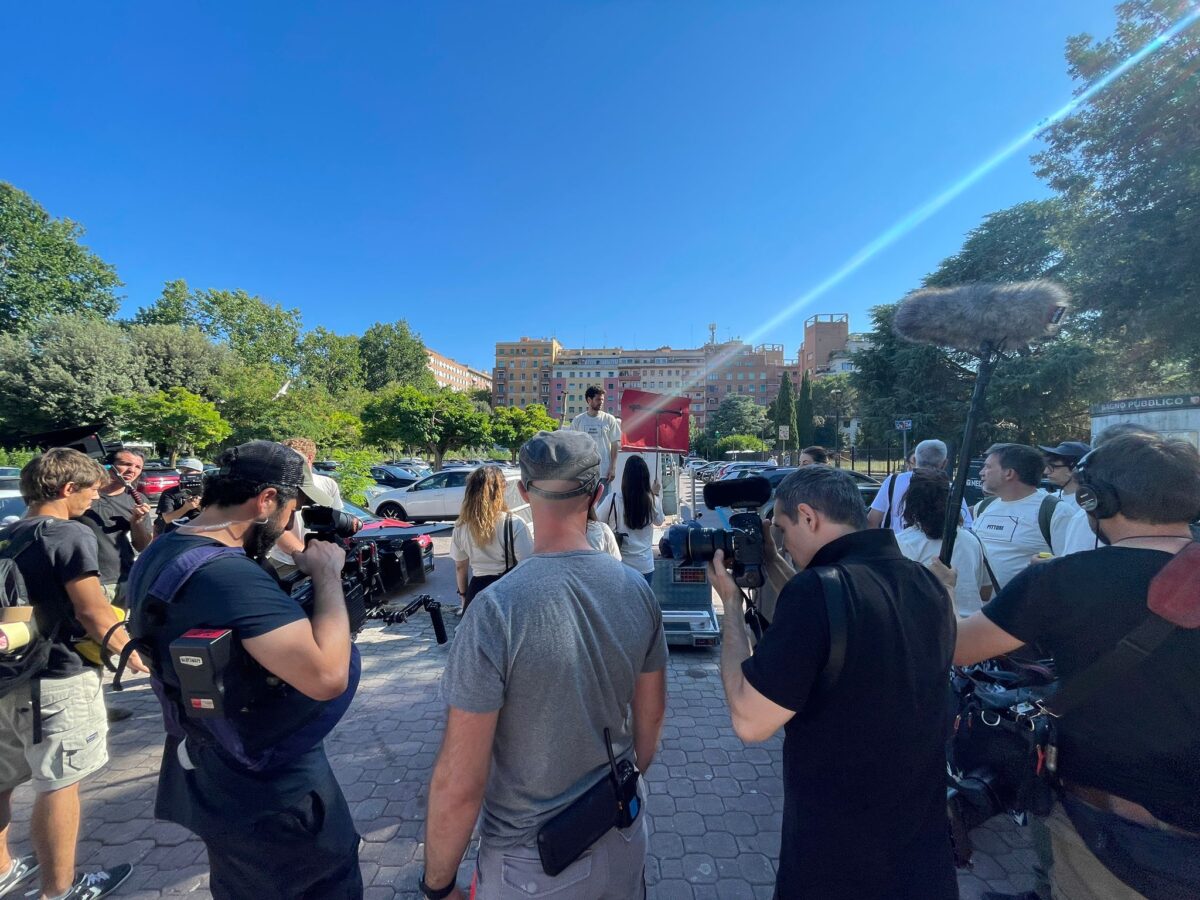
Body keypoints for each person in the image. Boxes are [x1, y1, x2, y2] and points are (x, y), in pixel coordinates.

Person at [422, 430, 667, 900]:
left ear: (523, 492)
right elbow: (650, 721)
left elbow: (459, 780)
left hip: (532, 866)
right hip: (622, 833)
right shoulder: (637, 591)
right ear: (596, 494)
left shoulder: (494, 610)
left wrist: (437, 885)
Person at [953, 434, 1200, 900]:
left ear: (1094, 499)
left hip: (1114, 827)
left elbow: (959, 648)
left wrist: (938, 592)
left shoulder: (1061, 580)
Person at [125, 441, 362, 899]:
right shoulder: (229, 576)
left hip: (213, 766)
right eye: (292, 507)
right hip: (272, 792)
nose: (293, 521)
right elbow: (326, 677)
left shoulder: (166, 549)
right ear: (266, 500)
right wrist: (327, 576)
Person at [712, 466, 957, 900]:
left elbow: (750, 720)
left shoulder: (817, 593)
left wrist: (731, 607)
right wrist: (770, 561)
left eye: (783, 530)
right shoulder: (925, 582)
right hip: (920, 855)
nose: (783, 542)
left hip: (839, 861)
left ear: (808, 517)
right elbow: (836, 612)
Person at [0, 449, 147, 900]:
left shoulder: (8, 535)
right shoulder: (67, 533)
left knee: (2, 780)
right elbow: (94, 613)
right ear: (67, 489)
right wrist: (139, 660)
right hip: (57, 677)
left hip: (8, 676)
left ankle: (4, 869)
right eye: (89, 491)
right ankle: (58, 891)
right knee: (59, 783)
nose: (93, 500)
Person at [973, 443, 1077, 590]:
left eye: (988, 467)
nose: (982, 472)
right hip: (979, 610)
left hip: (1028, 610)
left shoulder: (1055, 511)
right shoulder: (983, 507)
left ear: (1009, 473)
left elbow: (1070, 568)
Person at [895, 467, 988, 615]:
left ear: (910, 501)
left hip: (931, 629)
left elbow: (898, 597)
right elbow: (985, 591)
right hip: (971, 627)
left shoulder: (902, 543)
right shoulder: (972, 540)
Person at [449, 465, 533, 615]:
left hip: (476, 592)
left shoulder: (461, 526)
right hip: (506, 591)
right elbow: (527, 567)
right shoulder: (513, 523)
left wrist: (464, 596)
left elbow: (460, 567)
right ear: (500, 490)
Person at [73, 448, 153, 605]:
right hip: (86, 578)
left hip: (123, 577)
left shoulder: (138, 500)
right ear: (109, 466)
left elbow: (143, 545)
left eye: (138, 467)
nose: (132, 470)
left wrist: (136, 522)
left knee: (118, 627)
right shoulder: (83, 495)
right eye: (125, 464)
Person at [268, 437, 343, 569]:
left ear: (310, 457)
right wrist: (305, 555)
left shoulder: (328, 484)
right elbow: (277, 527)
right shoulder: (279, 485)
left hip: (321, 561)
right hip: (284, 562)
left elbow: (336, 521)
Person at [867, 438, 971, 532]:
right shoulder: (948, 489)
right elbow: (965, 526)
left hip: (896, 549)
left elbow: (872, 521)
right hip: (935, 551)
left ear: (915, 460)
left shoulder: (893, 481)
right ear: (944, 464)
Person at [594, 455, 664, 584]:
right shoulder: (653, 501)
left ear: (625, 477)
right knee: (642, 604)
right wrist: (655, 494)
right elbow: (659, 521)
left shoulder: (613, 499)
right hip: (645, 566)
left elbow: (596, 521)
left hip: (620, 565)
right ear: (645, 478)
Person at [569, 385, 622, 486]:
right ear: (589, 400)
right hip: (583, 473)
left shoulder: (609, 419)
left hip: (604, 473)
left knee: (603, 502)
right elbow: (572, 445)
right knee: (585, 502)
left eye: (602, 399)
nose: (601, 402)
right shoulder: (578, 420)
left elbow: (615, 444)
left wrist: (613, 468)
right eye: (598, 399)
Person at [154, 457, 205, 536]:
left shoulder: (208, 491)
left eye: (188, 470)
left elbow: (215, 517)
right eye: (182, 471)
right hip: (174, 535)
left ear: (200, 473)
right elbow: (167, 518)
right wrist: (186, 508)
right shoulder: (169, 493)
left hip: (200, 535)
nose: (184, 473)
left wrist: (199, 505)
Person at [1038, 441, 1091, 509]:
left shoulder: (1086, 504)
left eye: (1052, 467)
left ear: (1075, 469)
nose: (1045, 472)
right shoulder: (1050, 499)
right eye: (1047, 466)